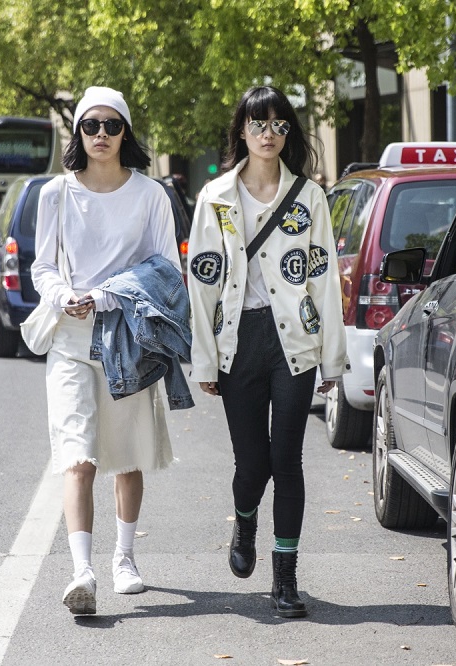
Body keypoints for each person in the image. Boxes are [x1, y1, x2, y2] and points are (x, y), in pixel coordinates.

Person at [188, 85, 349, 618]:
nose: (268, 134)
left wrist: (332, 357)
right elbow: (202, 285)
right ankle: (244, 520)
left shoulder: (309, 197)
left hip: (293, 340)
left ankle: (285, 578)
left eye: (279, 125)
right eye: (258, 124)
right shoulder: (215, 197)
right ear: (241, 130)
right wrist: (205, 359)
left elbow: (324, 280)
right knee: (252, 462)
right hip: (239, 340)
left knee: (287, 459)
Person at [31, 86, 191, 615]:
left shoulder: (151, 195)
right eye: (91, 125)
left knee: (127, 457)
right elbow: (42, 266)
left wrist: (104, 296)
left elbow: (166, 270)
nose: (101, 134)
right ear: (78, 132)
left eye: (112, 125)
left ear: (126, 132)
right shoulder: (55, 193)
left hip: (127, 338)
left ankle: (124, 558)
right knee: (77, 457)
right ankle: (82, 572)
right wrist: (63, 295)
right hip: (70, 341)